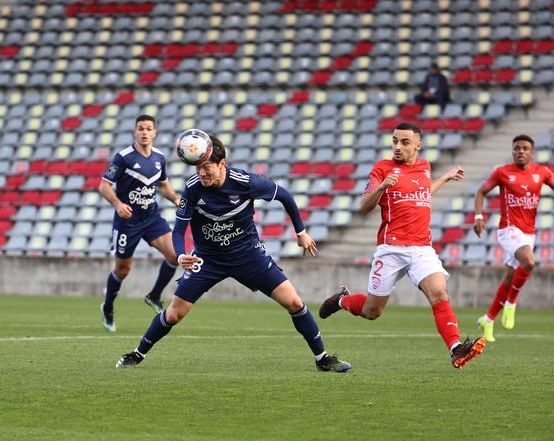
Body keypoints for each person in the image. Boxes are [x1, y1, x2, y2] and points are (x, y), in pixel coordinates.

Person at [116, 132, 352, 372]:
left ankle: (322, 358)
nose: (202, 173)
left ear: (222, 164)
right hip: (207, 259)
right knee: (175, 314)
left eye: (207, 167)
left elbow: (284, 195)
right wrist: (179, 255)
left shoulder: (246, 182)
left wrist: (300, 232)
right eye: (198, 168)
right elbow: (178, 231)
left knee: (294, 302)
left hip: (248, 254)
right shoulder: (193, 189)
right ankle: (137, 354)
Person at [318, 122, 485, 369]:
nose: (398, 146)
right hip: (391, 248)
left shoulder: (424, 167)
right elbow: (364, 206)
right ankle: (343, 300)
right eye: (395, 141)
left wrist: (445, 179)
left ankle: (455, 349)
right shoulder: (382, 168)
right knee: (372, 311)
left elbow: (422, 193)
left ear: (418, 145)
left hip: (421, 248)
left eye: (404, 142)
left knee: (439, 292)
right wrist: (383, 186)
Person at [98, 115, 180, 332]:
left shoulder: (159, 158)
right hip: (128, 221)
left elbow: (163, 185)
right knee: (123, 270)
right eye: (141, 128)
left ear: (155, 133)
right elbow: (104, 186)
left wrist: (176, 199)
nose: (144, 132)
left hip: (152, 217)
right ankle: (107, 307)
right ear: (135, 132)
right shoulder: (123, 157)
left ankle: (154, 296)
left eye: (148, 129)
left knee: (175, 255)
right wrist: (117, 204)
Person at [474, 135, 554, 342]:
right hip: (509, 229)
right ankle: (511, 304)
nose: (521, 151)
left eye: (525, 148)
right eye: (517, 148)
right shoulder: (502, 172)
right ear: (512, 151)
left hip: (529, 232)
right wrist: (479, 216)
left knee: (510, 277)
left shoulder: (542, 172)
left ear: (532, 152)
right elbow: (481, 191)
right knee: (528, 262)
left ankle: (488, 319)